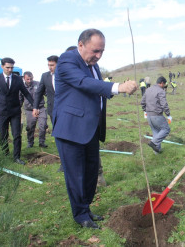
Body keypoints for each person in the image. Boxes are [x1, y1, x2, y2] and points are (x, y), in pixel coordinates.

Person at [52, 28, 137, 229]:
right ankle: (80, 215)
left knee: (91, 172)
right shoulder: (67, 60)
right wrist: (117, 87)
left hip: (90, 128)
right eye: (95, 51)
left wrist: (115, 89)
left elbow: (95, 87)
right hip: (70, 129)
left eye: (102, 52)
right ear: (81, 45)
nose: (98, 56)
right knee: (76, 175)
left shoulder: (93, 65)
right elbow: (84, 83)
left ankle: (86, 208)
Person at [0, 57, 34, 165]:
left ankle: (16, 157)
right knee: (3, 135)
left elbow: (26, 93)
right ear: (2, 66)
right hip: (1, 111)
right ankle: (5, 154)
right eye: (7, 67)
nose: (10, 70)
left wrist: (34, 106)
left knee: (17, 134)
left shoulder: (17, 79)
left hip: (15, 111)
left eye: (11, 67)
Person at [141, 76, 171, 154]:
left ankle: (157, 152)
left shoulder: (148, 90)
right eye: (164, 84)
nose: (164, 86)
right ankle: (153, 142)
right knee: (166, 129)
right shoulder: (161, 91)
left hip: (149, 116)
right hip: (157, 115)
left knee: (156, 132)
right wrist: (168, 115)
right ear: (161, 83)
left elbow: (142, 102)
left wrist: (145, 110)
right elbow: (164, 104)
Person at [20, 71, 48, 148]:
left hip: (41, 108)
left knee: (43, 125)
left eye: (31, 79)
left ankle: (42, 142)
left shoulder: (38, 84)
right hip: (29, 110)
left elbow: (47, 93)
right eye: (27, 79)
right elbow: (20, 99)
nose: (29, 81)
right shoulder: (21, 87)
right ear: (24, 78)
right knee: (30, 127)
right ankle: (30, 142)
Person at [33, 55, 58, 125]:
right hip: (52, 108)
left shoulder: (64, 75)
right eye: (48, 65)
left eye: (52, 65)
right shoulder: (45, 76)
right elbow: (39, 92)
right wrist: (35, 107)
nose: (50, 67)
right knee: (56, 130)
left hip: (66, 109)